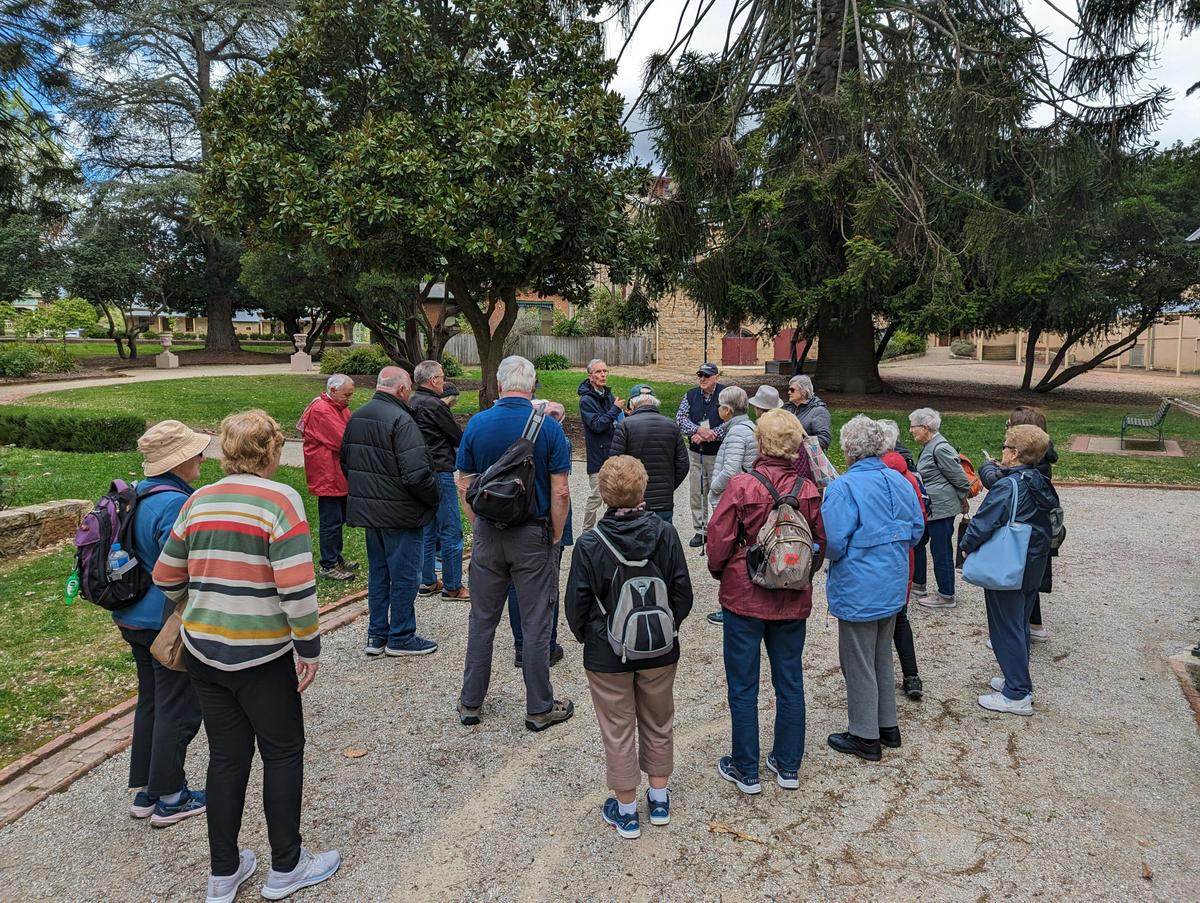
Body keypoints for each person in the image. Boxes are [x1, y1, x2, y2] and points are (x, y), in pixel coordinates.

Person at [153, 410, 339, 903]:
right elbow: (297, 587)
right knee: (282, 751)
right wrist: (309, 646)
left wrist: (197, 606)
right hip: (262, 651)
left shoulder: (198, 500)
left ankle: (224, 871)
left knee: (226, 757)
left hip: (203, 648)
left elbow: (165, 575)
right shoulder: (280, 500)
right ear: (273, 451)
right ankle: (286, 864)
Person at [565, 455, 693, 838]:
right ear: (643, 488)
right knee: (659, 720)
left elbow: (576, 606)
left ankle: (625, 809)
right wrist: (665, 628)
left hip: (607, 652)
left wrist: (593, 638)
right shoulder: (666, 534)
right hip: (659, 648)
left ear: (604, 494)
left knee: (618, 728)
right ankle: (658, 798)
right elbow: (682, 593)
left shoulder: (590, 544)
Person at [706, 410, 825, 793]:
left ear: (761, 443)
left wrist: (722, 570)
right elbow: (820, 543)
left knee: (743, 685)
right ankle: (787, 764)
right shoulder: (808, 489)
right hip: (792, 595)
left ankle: (746, 767)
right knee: (790, 681)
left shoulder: (742, 486)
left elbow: (719, 541)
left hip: (745, 595)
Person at [456, 355, 574, 732]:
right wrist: (555, 536)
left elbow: (463, 482)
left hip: (490, 534)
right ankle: (539, 707)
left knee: (482, 620)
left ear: (500, 384)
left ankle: (470, 702)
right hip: (532, 533)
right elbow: (561, 491)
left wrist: (479, 524)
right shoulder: (550, 430)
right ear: (533, 385)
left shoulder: (477, 424)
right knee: (536, 621)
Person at [115, 420, 207, 827]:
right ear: (180, 460)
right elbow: (182, 565)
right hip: (163, 620)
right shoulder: (174, 503)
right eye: (195, 452)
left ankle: (148, 790)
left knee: (151, 701)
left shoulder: (138, 492)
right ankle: (171, 796)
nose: (201, 457)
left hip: (133, 615)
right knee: (178, 705)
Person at [821, 416, 925, 762]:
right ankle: (886, 725)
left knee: (858, 660)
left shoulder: (843, 487)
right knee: (881, 655)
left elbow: (833, 542)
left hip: (860, 583)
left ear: (848, 449)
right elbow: (916, 530)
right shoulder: (899, 480)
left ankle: (865, 734)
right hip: (892, 580)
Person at [341, 367, 440, 657]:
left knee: (379, 573)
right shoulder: (401, 419)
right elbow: (417, 474)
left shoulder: (357, 416)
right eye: (408, 388)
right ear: (400, 389)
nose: (409, 393)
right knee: (405, 575)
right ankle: (401, 635)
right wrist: (433, 497)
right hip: (400, 512)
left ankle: (376, 635)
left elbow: (346, 461)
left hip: (371, 511)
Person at [961, 425, 1058, 716]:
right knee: (1019, 624)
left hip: (1009, 563)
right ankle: (1016, 678)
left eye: (1005, 447)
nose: (1002, 451)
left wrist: (966, 545)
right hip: (1032, 561)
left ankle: (1017, 692)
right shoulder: (1038, 480)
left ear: (1014, 454)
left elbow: (985, 521)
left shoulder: (1008, 485)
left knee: (1005, 627)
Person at [982, 405, 1057, 641]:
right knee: (1028, 579)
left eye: (1009, 425)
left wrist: (989, 468)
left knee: (1018, 581)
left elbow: (999, 485)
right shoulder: (1039, 457)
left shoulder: (1033, 465)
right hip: (1035, 533)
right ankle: (1031, 626)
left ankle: (1015, 634)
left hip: (1024, 532)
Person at [506, 400, 570, 669]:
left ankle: (522, 646)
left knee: (514, 585)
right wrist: (558, 531)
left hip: (508, 520)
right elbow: (561, 489)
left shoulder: (504, 433)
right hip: (543, 522)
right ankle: (545, 645)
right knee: (547, 586)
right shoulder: (556, 437)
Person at [410, 359, 468, 601]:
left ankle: (427, 581)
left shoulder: (411, 402)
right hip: (440, 470)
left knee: (427, 528)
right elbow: (456, 436)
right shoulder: (435, 405)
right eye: (442, 377)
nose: (444, 381)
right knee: (451, 530)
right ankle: (453, 586)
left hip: (420, 472)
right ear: (433, 380)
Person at [878, 418, 927, 701]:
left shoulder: (880, 477)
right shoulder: (908, 475)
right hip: (902, 557)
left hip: (880, 558)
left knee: (880, 621)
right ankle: (911, 675)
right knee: (900, 617)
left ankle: (882, 678)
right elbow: (919, 523)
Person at [703, 386, 760, 626]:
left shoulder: (738, 432)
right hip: (744, 498)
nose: (718, 410)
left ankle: (731, 606)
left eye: (720, 406)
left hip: (733, 500)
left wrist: (714, 488)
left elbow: (731, 469)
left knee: (730, 551)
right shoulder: (747, 428)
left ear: (727, 410)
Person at [908, 407, 971, 609]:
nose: (910, 430)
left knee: (941, 549)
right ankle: (918, 584)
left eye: (913, 426)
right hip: (931, 509)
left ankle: (946, 594)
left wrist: (962, 500)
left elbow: (961, 480)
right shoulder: (930, 445)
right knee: (917, 542)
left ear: (925, 427)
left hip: (941, 510)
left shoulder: (940, 448)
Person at [297, 374, 357, 581]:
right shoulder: (322, 410)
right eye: (346, 394)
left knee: (338, 518)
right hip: (327, 473)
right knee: (330, 521)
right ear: (333, 391)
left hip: (336, 472)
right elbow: (344, 439)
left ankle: (336, 556)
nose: (349, 399)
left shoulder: (338, 407)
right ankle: (328, 564)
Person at [609, 383, 688, 523]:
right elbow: (683, 464)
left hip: (633, 501)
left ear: (632, 405)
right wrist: (668, 486)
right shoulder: (672, 425)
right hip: (663, 502)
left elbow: (615, 464)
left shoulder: (625, 426)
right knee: (663, 541)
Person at [676, 363, 728, 548]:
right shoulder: (690, 395)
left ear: (716, 377)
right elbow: (681, 418)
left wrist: (713, 434)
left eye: (706, 375)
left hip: (718, 453)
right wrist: (698, 430)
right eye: (700, 375)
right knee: (697, 492)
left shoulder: (726, 394)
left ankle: (720, 529)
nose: (702, 379)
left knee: (718, 491)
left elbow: (733, 419)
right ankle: (701, 530)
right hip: (696, 452)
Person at [578, 358, 623, 531]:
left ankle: (610, 530)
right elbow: (597, 425)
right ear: (590, 376)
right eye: (598, 372)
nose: (603, 375)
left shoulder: (607, 394)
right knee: (597, 496)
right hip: (598, 456)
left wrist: (625, 413)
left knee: (614, 495)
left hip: (612, 454)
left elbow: (613, 419)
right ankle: (587, 531)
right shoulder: (586, 400)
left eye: (605, 371)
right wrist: (615, 409)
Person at [783, 375, 832, 450]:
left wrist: (801, 450)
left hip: (806, 458)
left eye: (792, 390)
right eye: (789, 389)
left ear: (804, 392)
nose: (789, 392)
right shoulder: (787, 408)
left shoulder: (818, 411)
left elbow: (824, 439)